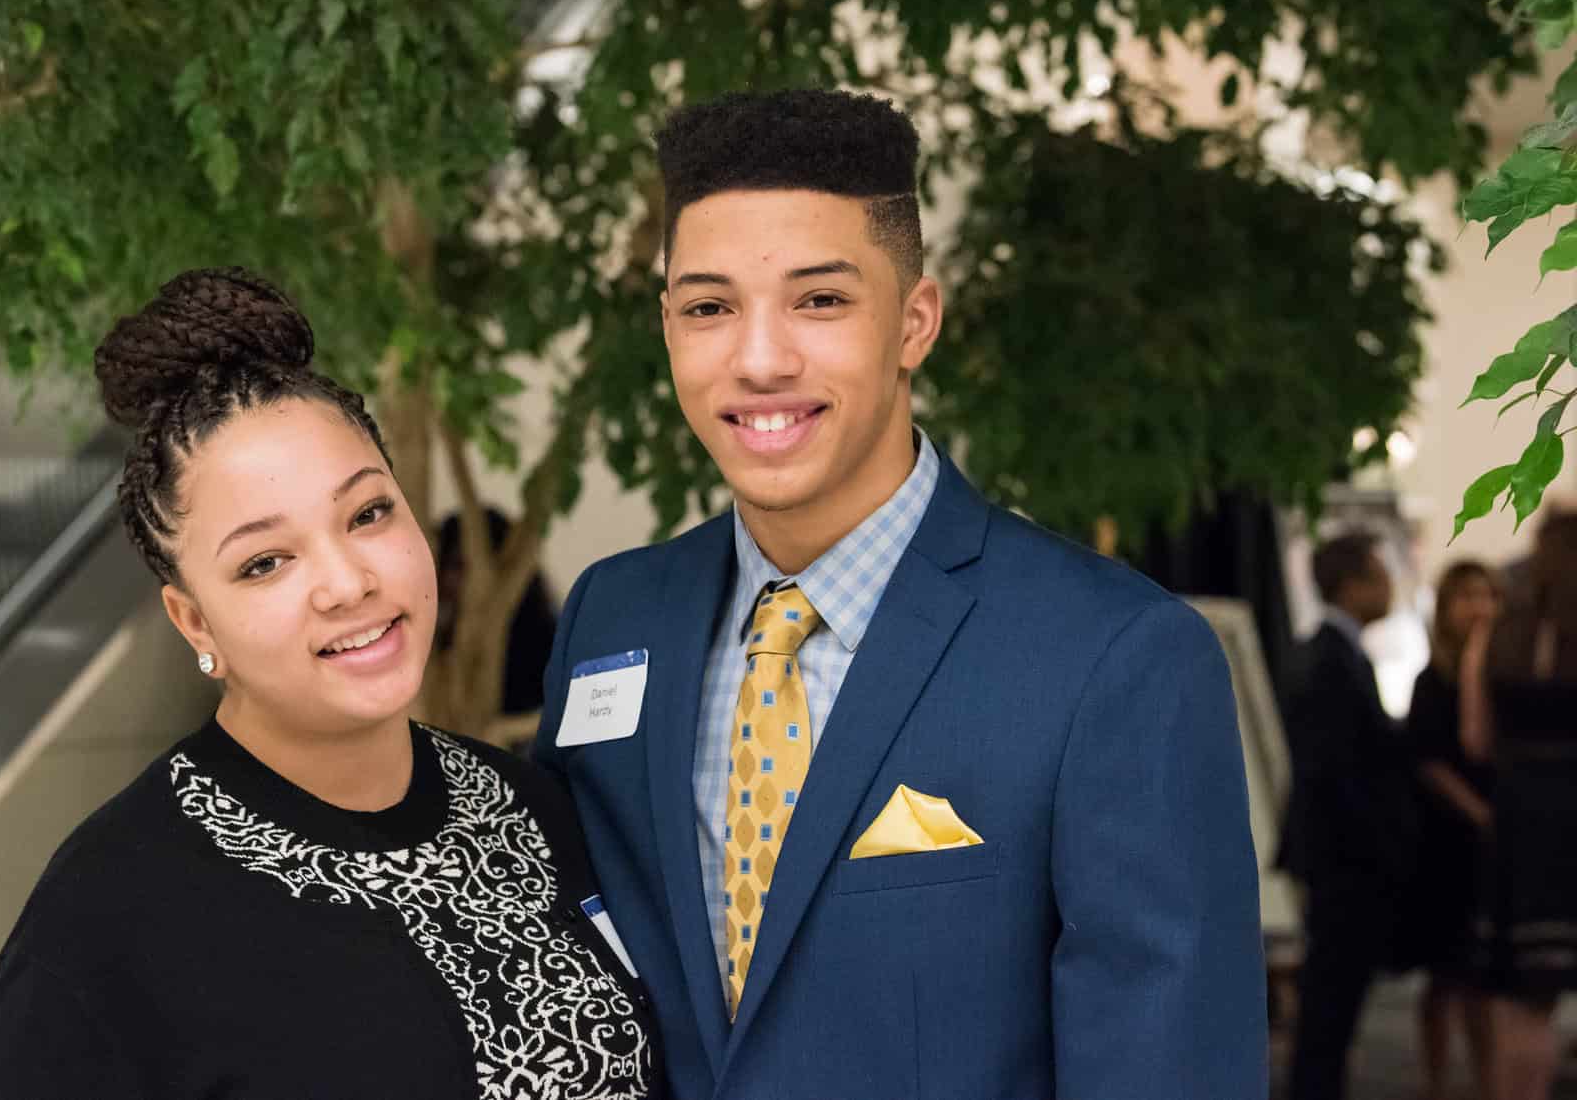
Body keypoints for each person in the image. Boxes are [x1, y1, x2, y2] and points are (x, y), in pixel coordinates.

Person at [533, 89, 1267, 1099]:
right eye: (709, 307)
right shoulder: (611, 620)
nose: (759, 358)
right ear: (667, 328)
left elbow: (1167, 1067)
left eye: (820, 300)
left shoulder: (1117, 657)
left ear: (916, 320)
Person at [0, 269, 661, 1100]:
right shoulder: (105, 923)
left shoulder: (530, 806)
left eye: (367, 514)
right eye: (266, 563)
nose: (346, 582)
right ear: (195, 623)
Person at [1281, 530, 1421, 1100]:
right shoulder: (1330, 660)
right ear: (1352, 585)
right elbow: (1336, 771)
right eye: (1379, 574)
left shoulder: (1340, 654)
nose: (1389, 586)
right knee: (1330, 999)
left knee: (1333, 1000)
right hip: (1344, 861)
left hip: (1342, 857)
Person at [1460, 511, 1577, 1100]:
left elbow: (1475, 738)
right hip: (1570, 823)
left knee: (1515, 1004)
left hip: (1517, 821)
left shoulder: (1498, 630)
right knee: (1549, 999)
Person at [1404, 560, 1501, 1100]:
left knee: (1484, 977)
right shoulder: (1432, 679)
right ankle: (1435, 1080)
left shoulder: (1500, 674)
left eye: (1487, 596)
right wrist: (1477, 812)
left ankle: (1489, 1079)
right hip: (1447, 841)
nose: (1479, 608)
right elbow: (1429, 758)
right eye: (1467, 597)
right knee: (1445, 972)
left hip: (1492, 839)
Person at [436, 506, 559, 717]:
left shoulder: (545, 650)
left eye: (460, 566)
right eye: (444, 565)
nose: (448, 579)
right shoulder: (433, 644)